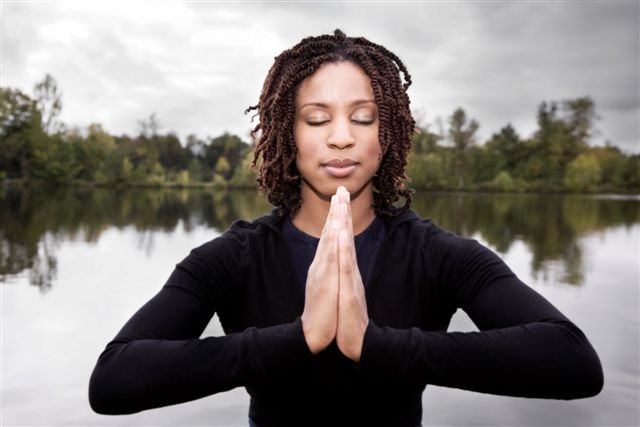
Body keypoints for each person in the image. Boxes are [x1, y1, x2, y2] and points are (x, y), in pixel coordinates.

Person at [88, 29, 603, 426]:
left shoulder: (435, 253)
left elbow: (573, 362)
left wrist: (373, 344)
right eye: (316, 119)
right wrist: (298, 338)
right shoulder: (234, 258)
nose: (340, 138)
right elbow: (112, 381)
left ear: (389, 134)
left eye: (363, 118)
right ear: (288, 133)